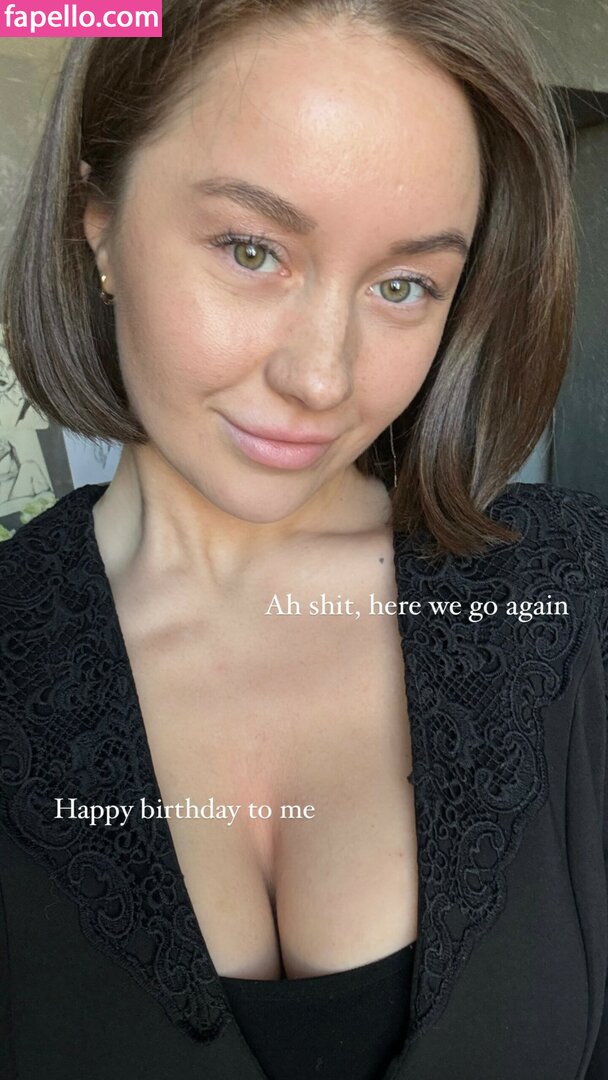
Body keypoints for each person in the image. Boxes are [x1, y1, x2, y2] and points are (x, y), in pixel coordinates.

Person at [0, 1, 607, 1078]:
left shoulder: (578, 602)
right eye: (252, 250)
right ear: (97, 223)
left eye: (403, 285)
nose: (322, 378)